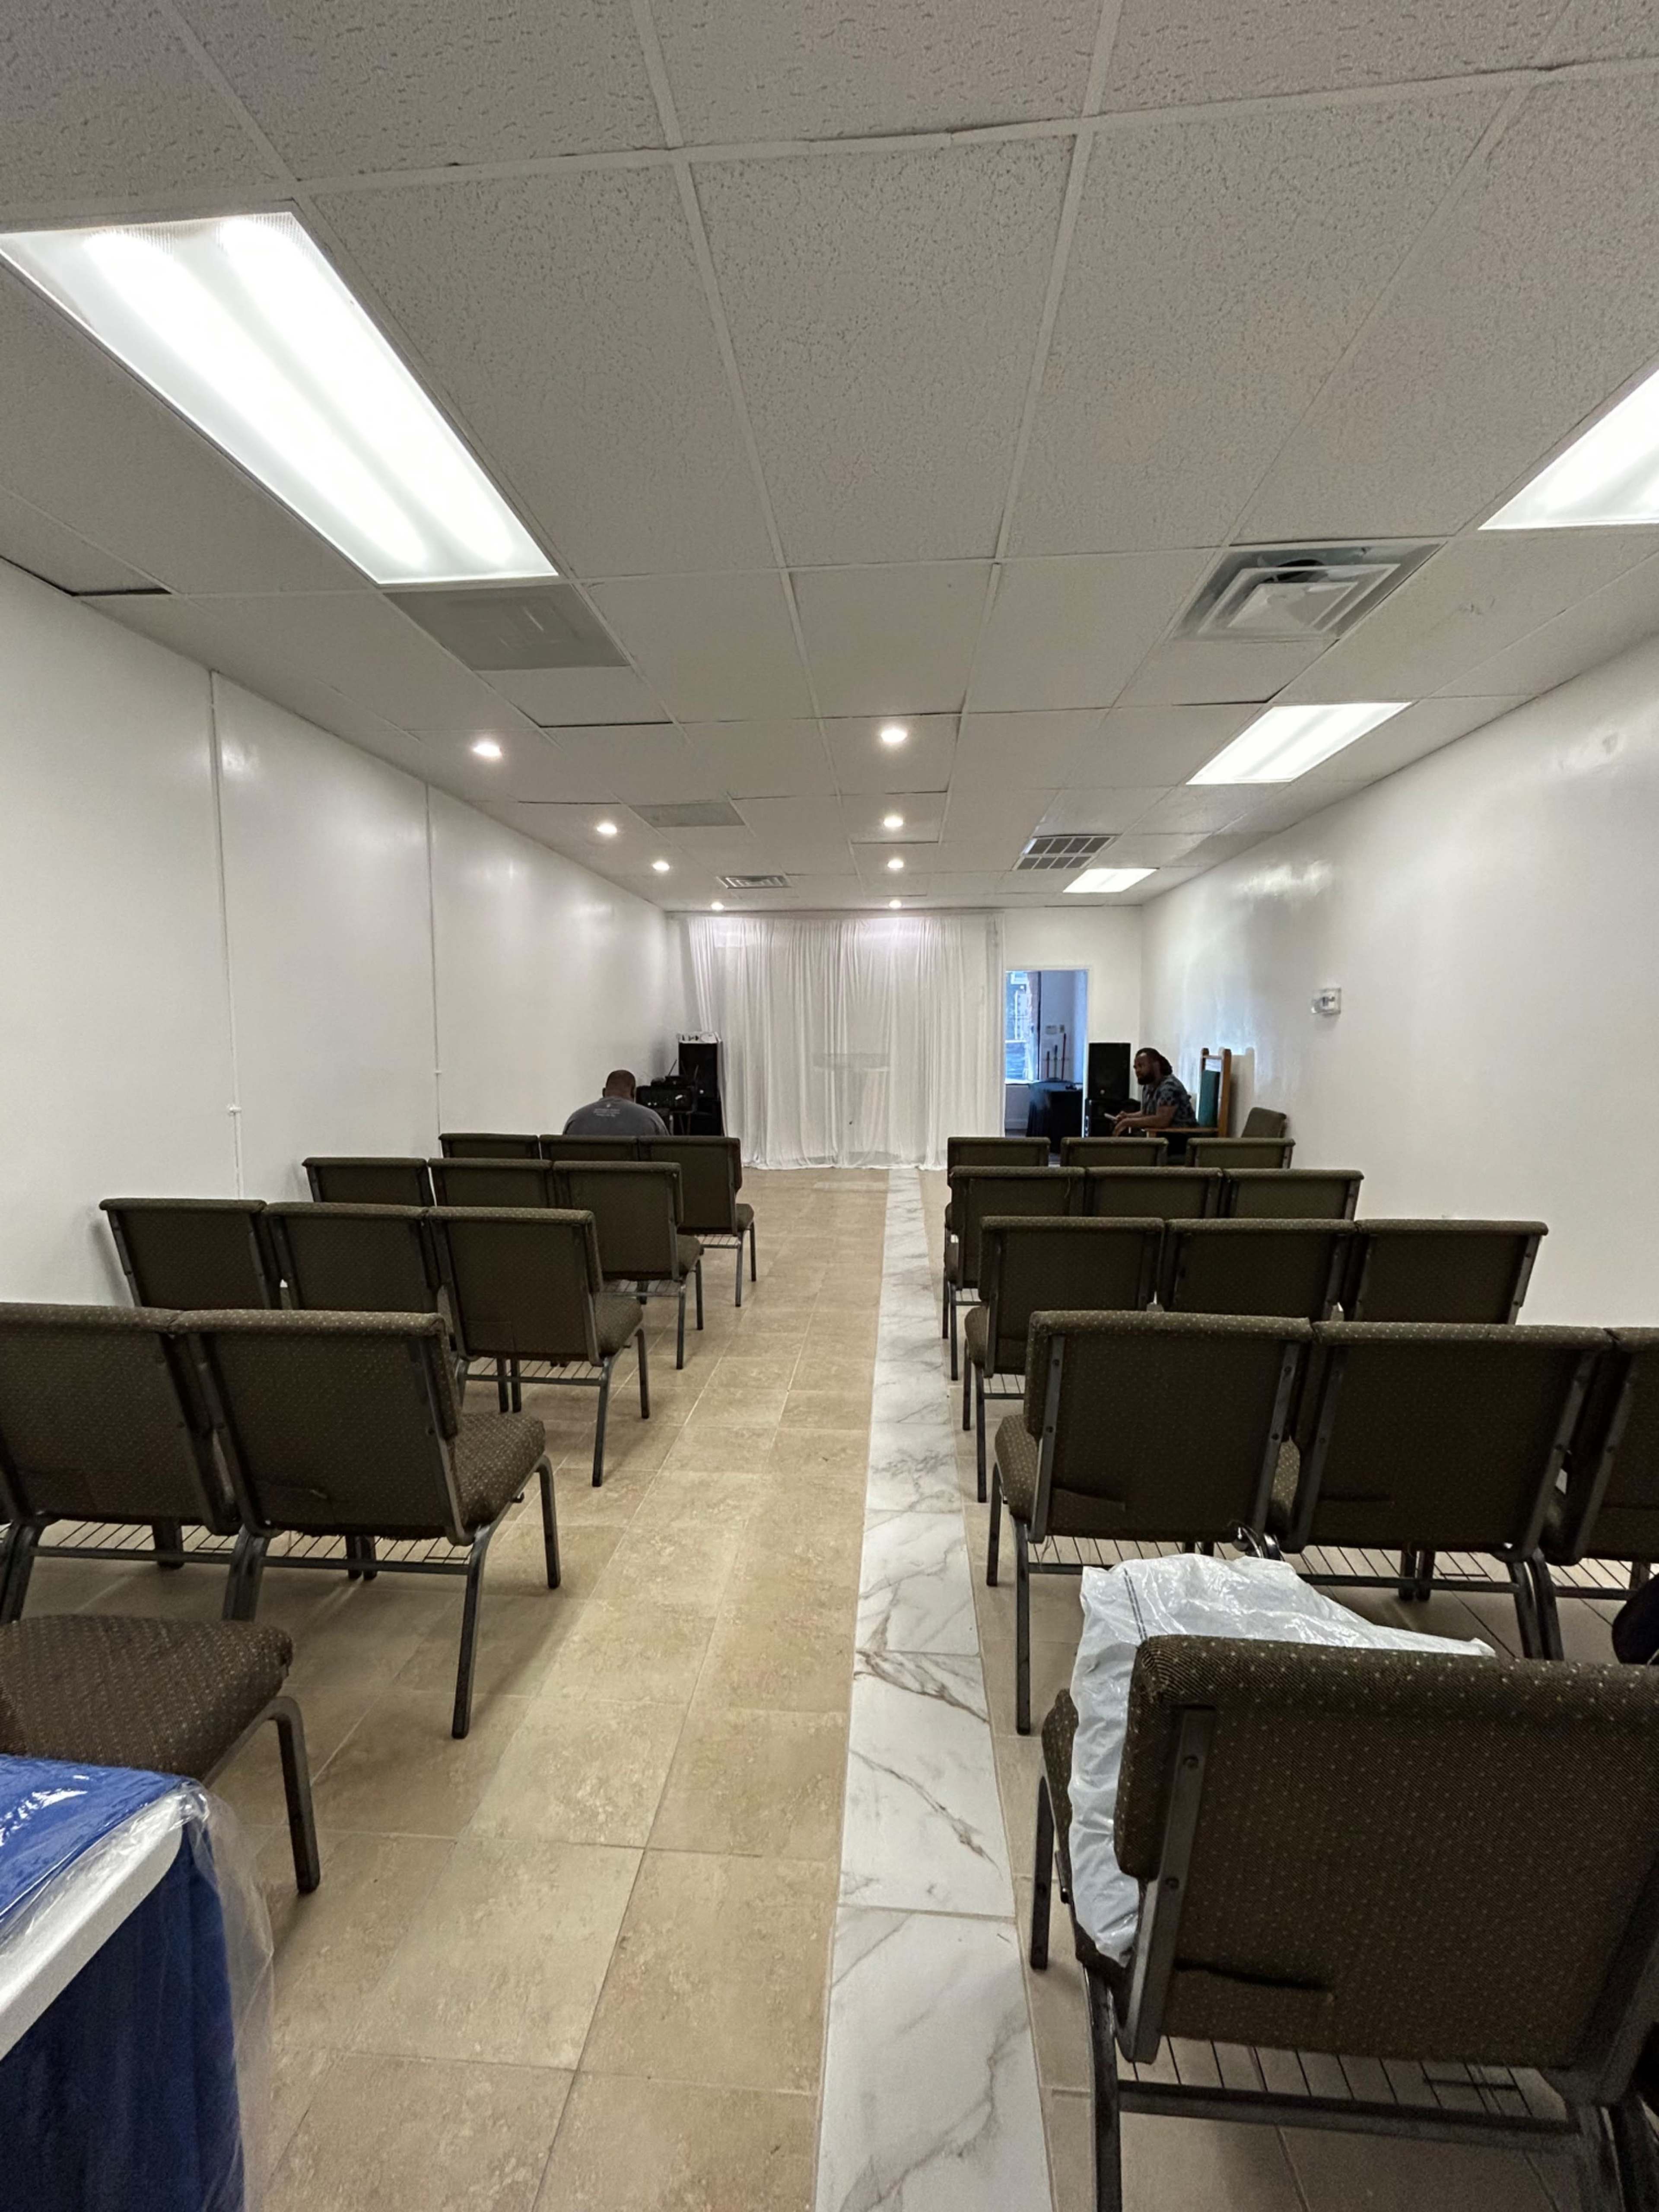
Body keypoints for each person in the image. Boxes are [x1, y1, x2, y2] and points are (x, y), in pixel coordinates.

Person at [1112, 1049, 1198, 1140]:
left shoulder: (1170, 1087)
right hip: (1159, 1136)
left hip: (1180, 1137)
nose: (1137, 1071)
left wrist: (1128, 1123)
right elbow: (1147, 1113)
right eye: (1136, 1067)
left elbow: (1162, 1121)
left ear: (1156, 1066)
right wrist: (1128, 1116)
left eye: (1141, 1066)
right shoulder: (1148, 1086)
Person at [561, 1070, 668, 1137]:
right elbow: (668, 1158)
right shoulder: (651, 1119)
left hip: (585, 1174)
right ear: (633, 1092)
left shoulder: (576, 1119)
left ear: (604, 1092)